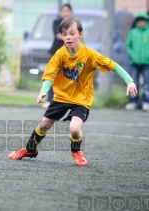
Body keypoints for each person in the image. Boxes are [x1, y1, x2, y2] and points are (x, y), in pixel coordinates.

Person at [8, 17, 137, 166]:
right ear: (61, 36)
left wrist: (129, 81)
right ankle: (30, 149)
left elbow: (113, 65)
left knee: (74, 129)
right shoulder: (60, 54)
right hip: (62, 97)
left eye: (72, 33)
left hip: (81, 99)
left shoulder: (90, 54)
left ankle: (77, 152)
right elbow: (50, 75)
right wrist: (43, 91)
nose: (68, 37)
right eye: (64, 34)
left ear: (80, 34)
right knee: (44, 125)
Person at [42, 4, 73, 109]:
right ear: (60, 12)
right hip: (56, 53)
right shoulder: (56, 22)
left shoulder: (74, 23)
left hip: (69, 54)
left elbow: (73, 37)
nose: (65, 13)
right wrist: (69, 35)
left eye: (67, 11)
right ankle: (50, 100)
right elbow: (59, 36)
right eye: (63, 11)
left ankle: (67, 100)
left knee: (69, 77)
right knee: (53, 76)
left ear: (71, 12)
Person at [125, 12, 149, 111]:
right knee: (133, 83)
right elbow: (128, 45)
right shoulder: (133, 32)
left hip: (147, 63)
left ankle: (146, 102)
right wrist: (131, 54)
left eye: (143, 20)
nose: (141, 22)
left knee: (147, 84)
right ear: (137, 21)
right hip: (134, 63)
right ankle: (133, 102)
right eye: (140, 20)